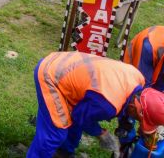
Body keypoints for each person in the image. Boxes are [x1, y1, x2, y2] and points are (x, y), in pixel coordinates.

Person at [27, 51, 164, 157]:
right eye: (140, 119)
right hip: (52, 75)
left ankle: (63, 153)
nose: (139, 122)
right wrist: (101, 134)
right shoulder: (108, 103)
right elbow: (80, 116)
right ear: (134, 107)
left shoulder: (138, 78)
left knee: (74, 120)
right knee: (55, 134)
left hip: (68, 65)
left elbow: (80, 115)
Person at [124, 26, 164, 91]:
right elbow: (143, 87)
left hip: (156, 59)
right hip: (135, 65)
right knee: (142, 91)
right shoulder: (148, 47)